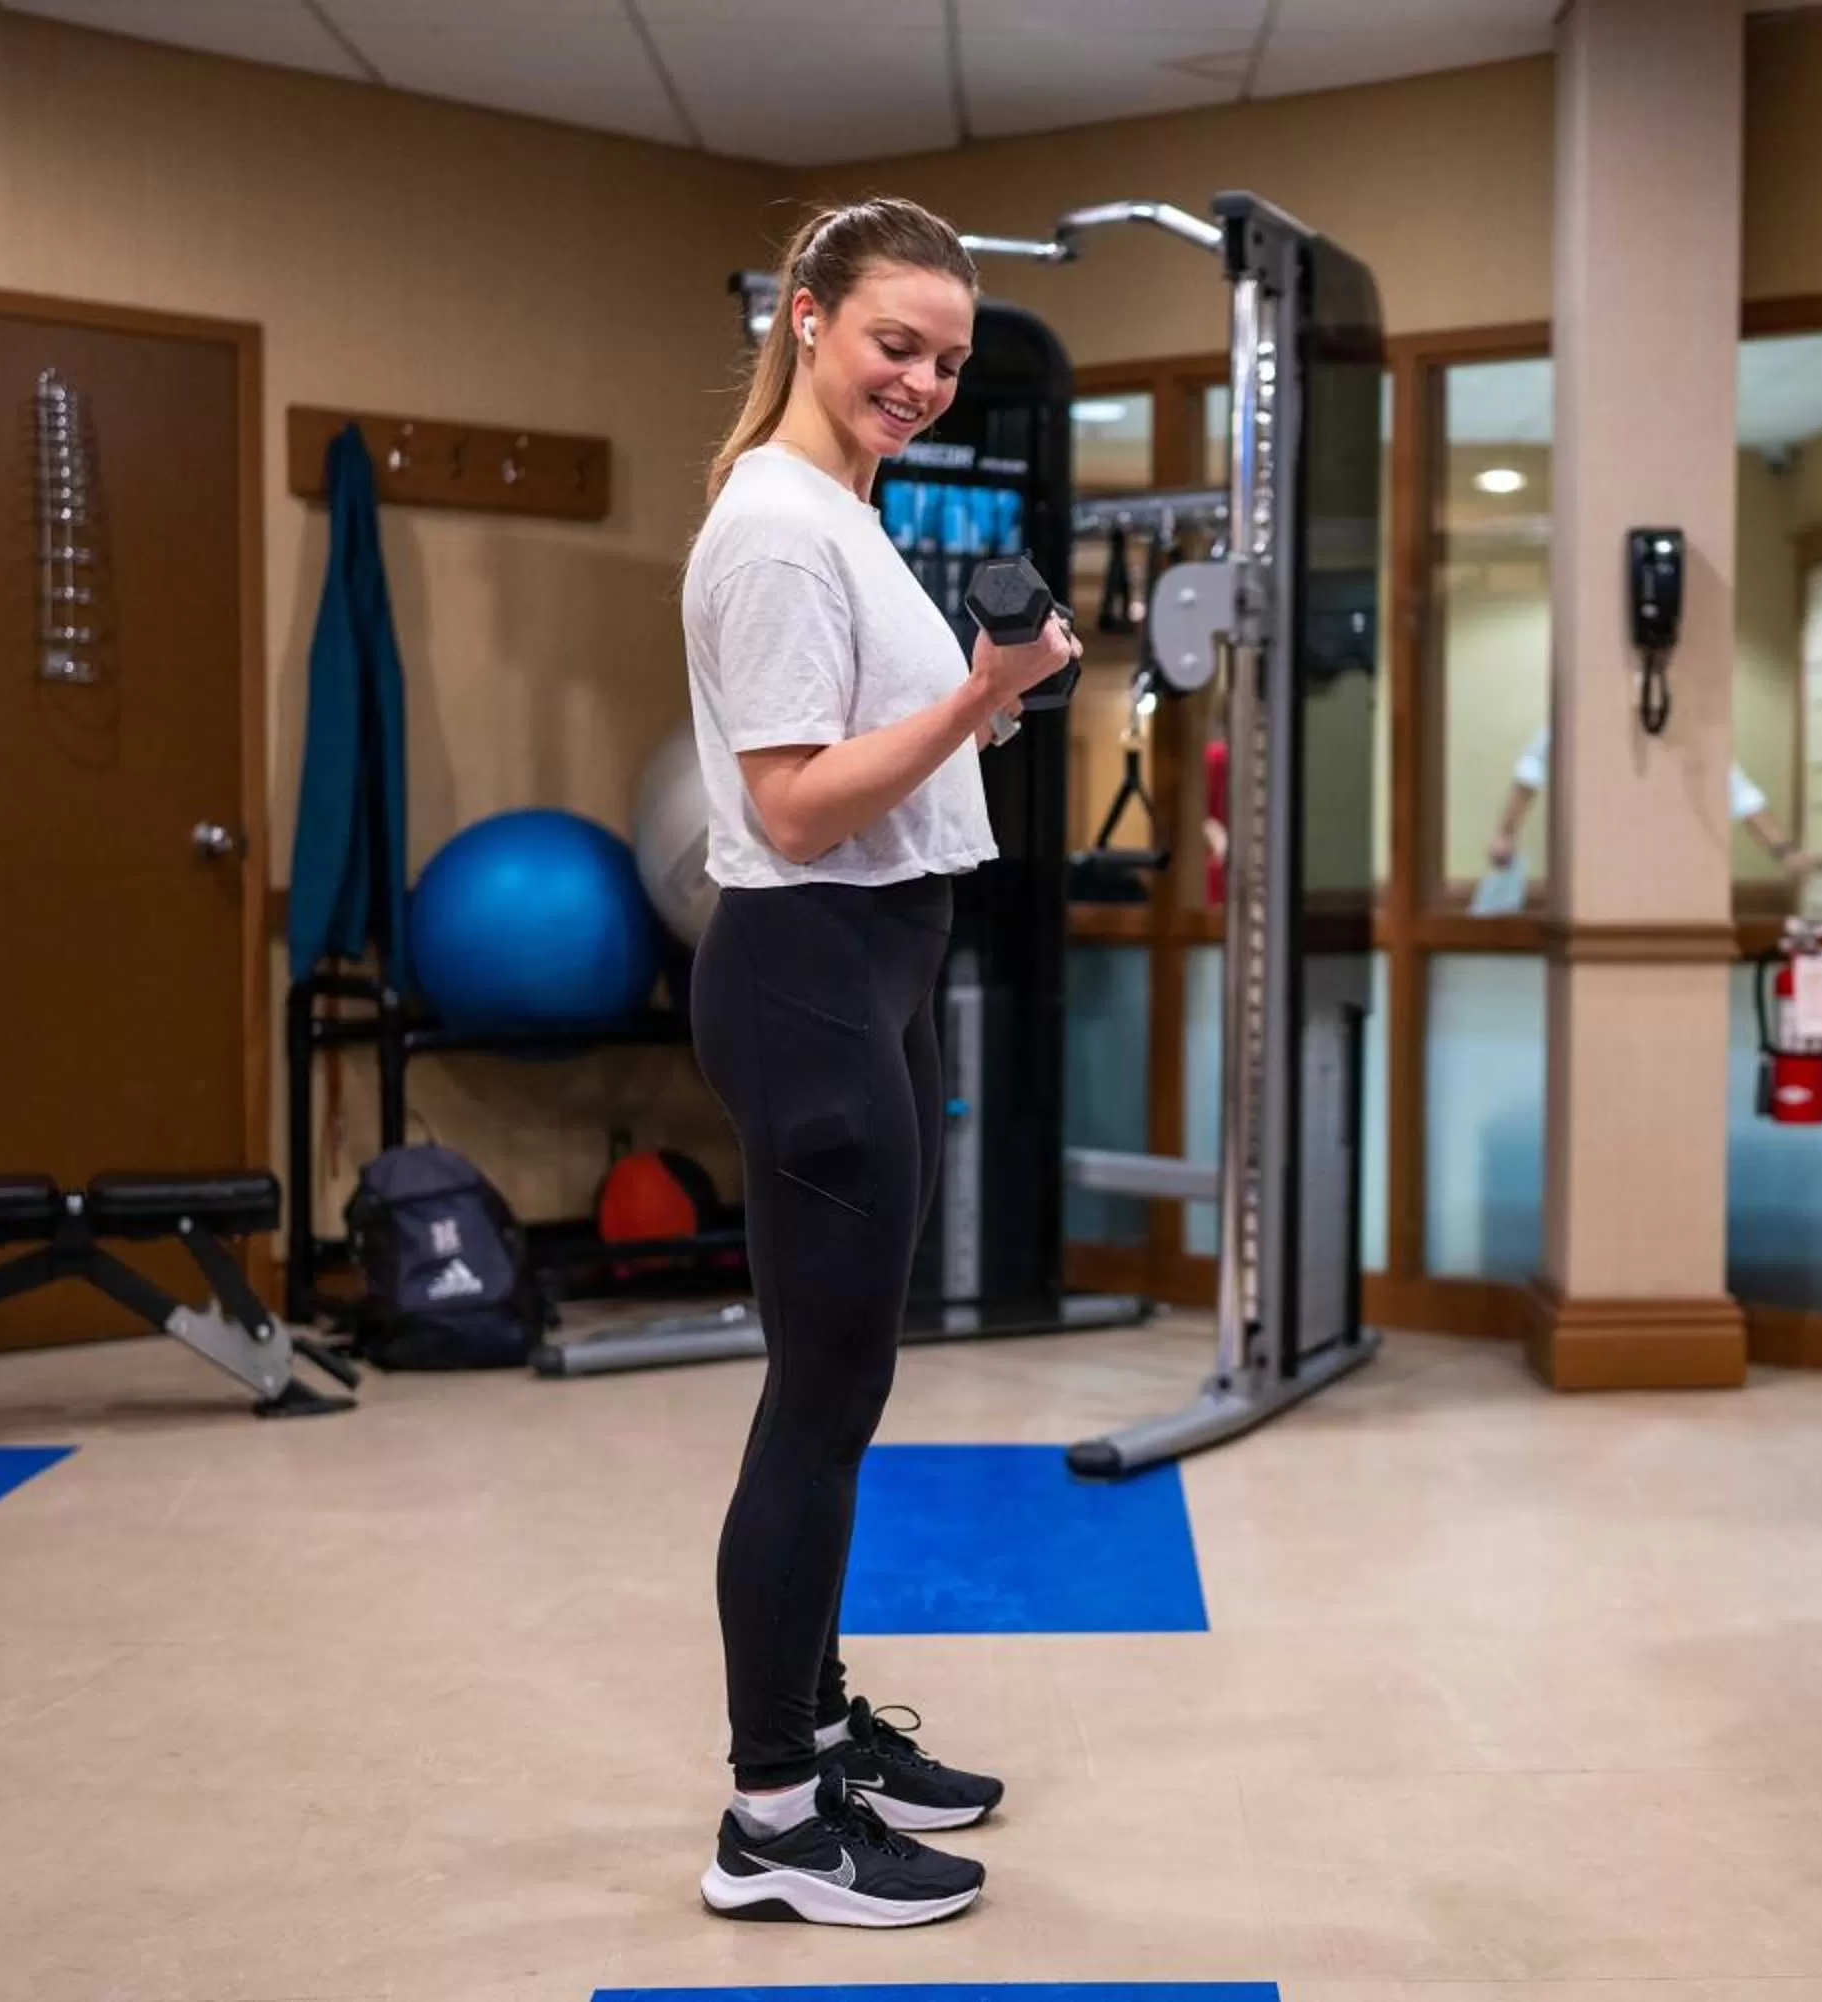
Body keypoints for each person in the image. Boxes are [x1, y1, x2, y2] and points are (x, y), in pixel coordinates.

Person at [678, 197, 1078, 1929]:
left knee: (844, 1390)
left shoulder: (840, 509)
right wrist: (985, 692)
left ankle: (819, 1724)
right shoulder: (774, 530)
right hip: (811, 973)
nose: (921, 379)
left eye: (947, 358)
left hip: (874, 961)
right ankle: (772, 1814)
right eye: (893, 343)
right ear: (805, 316)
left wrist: (983, 690)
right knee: (820, 1403)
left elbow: (868, 764)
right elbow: (788, 800)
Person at [1478, 722, 1822, 902]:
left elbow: (1743, 797)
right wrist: (1505, 835)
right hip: (1593, 875)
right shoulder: (1571, 726)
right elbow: (1528, 777)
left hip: (1669, 877)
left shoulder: (1690, 738)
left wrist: (1786, 854)